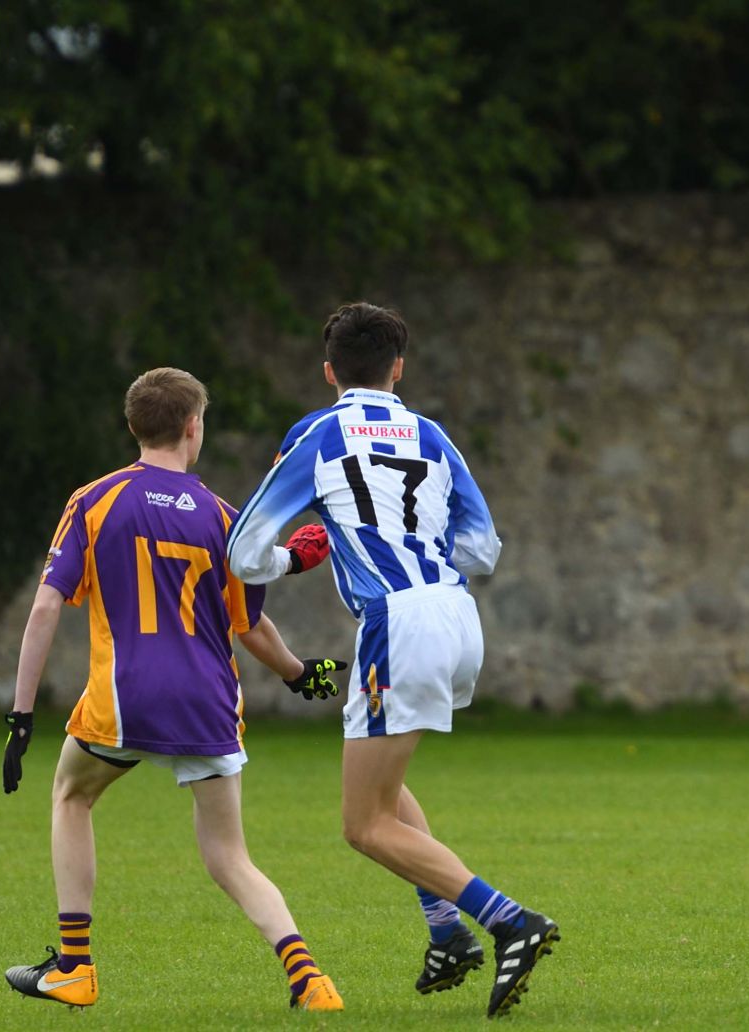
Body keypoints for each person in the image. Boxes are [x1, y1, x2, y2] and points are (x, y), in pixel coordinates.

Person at [227, 302, 559, 1018]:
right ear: (398, 368)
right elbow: (483, 550)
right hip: (456, 612)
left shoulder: (316, 434)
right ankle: (446, 932)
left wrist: (297, 558)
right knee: (383, 777)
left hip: (396, 620)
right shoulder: (433, 436)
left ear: (328, 373)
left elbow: (244, 552)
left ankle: (507, 920)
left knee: (362, 824)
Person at [2, 367, 347, 1012]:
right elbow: (250, 625)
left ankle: (75, 967)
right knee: (228, 856)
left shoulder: (96, 500)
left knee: (72, 795)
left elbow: (48, 607)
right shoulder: (223, 517)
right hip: (208, 702)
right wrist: (299, 674)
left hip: (127, 697)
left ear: (135, 426)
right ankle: (310, 980)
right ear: (194, 427)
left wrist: (21, 715)